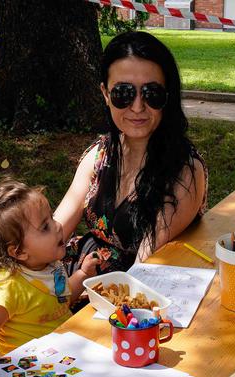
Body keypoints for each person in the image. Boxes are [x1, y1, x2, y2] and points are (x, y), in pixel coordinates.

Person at [55, 30, 208, 275]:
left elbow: (144, 263)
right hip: (77, 277)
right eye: (123, 93)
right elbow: (55, 232)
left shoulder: (183, 170)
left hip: (125, 296)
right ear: (105, 94)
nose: (137, 107)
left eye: (152, 93)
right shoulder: (99, 155)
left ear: (167, 97)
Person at [0, 181, 99, 359]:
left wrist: (83, 274)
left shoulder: (50, 266)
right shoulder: (7, 286)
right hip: (28, 372)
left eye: (52, 217)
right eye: (45, 227)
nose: (58, 226)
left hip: (61, 359)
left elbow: (60, 301)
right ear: (19, 252)